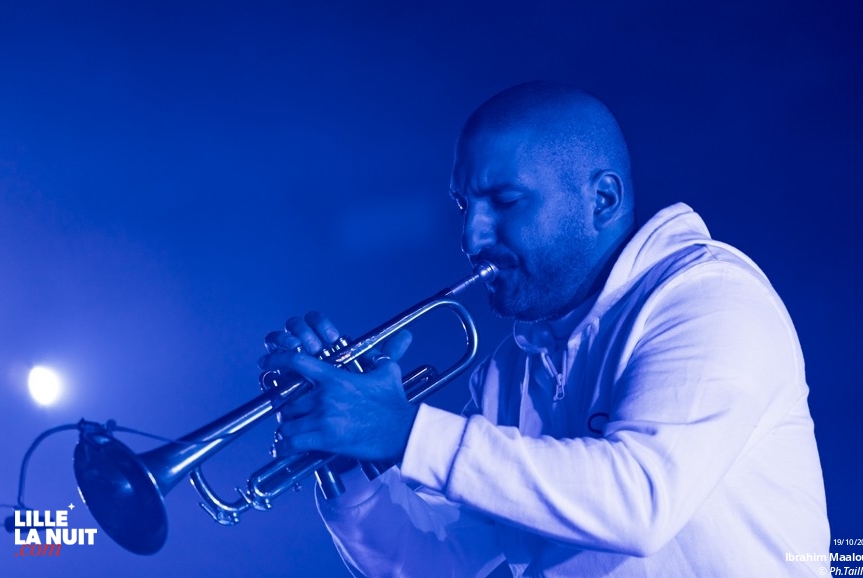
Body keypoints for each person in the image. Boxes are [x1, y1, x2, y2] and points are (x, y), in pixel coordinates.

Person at [259, 82, 830, 577]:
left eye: (504, 200)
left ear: (602, 199)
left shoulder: (707, 296)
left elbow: (640, 502)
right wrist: (348, 460)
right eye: (463, 205)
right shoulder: (509, 370)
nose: (472, 236)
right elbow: (442, 565)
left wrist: (403, 431)